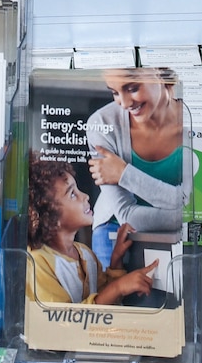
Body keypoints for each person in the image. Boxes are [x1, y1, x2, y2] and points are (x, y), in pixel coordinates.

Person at [84, 67, 186, 267]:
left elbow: (201, 205)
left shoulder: (196, 121)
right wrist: (184, 215)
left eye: (132, 88)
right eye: (114, 92)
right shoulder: (102, 123)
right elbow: (127, 216)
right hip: (117, 232)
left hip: (181, 234)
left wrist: (124, 174)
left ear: (160, 76)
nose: (124, 103)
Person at [25, 156, 157, 307]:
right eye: (72, 194)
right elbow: (62, 322)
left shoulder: (86, 254)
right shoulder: (37, 262)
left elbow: (104, 299)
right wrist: (118, 287)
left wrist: (116, 261)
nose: (85, 196)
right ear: (49, 216)